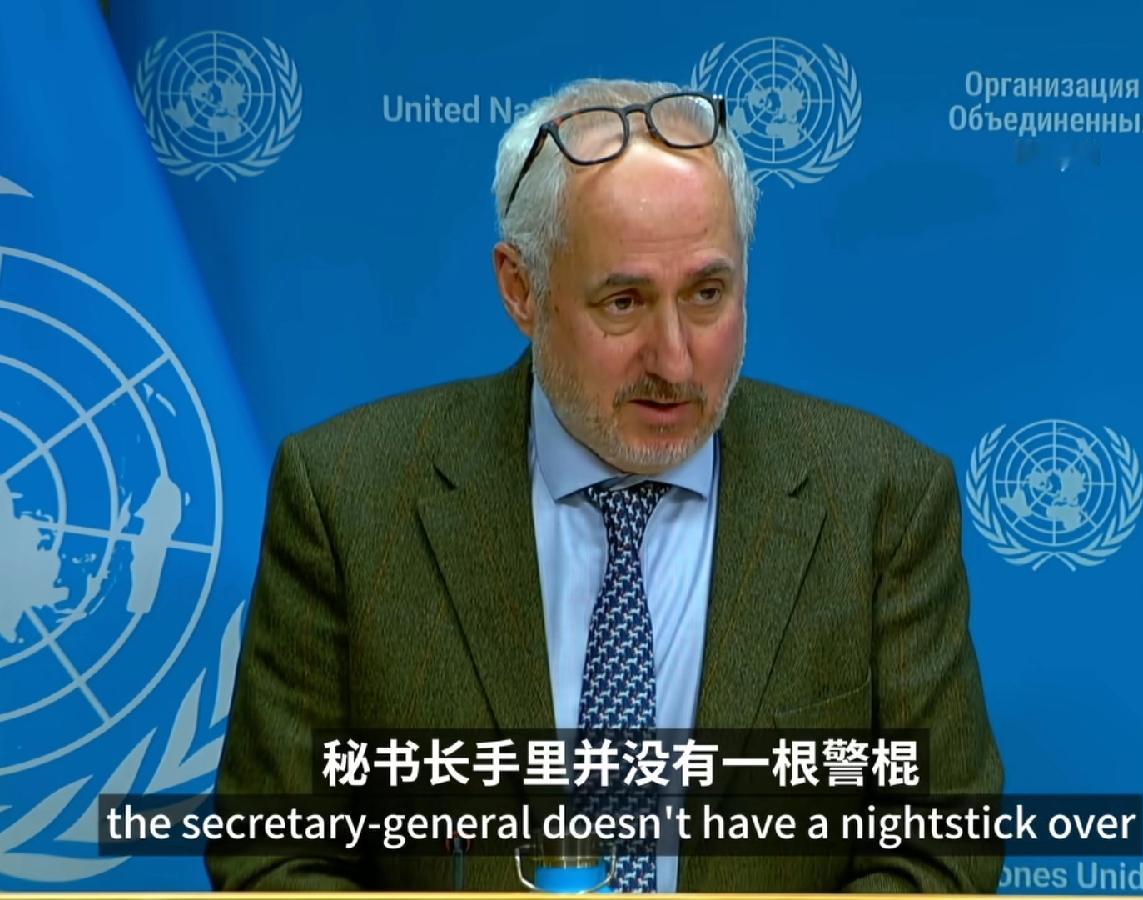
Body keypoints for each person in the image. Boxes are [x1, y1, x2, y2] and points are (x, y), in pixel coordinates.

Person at [207, 77, 1003, 893]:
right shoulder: (348, 496)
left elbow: (939, 853)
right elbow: (274, 856)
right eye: (623, 302)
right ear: (520, 289)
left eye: (707, 294)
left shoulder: (879, 500)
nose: (674, 360)